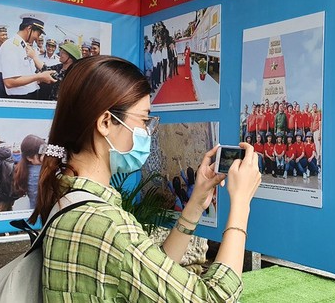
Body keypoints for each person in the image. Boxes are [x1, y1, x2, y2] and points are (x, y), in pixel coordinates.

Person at [29, 55, 261, 301]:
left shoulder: (67, 199)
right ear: (106, 122)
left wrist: (195, 205)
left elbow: (152, 277)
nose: (147, 132)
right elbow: (214, 298)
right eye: (143, 120)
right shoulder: (111, 227)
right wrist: (241, 203)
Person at [0, 14, 57, 99]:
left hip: (30, 95)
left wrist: (37, 78)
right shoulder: (11, 46)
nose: (38, 38)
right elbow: (9, 82)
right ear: (29, 29)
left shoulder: (23, 46)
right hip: (20, 99)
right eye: (38, 33)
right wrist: (39, 76)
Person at [12, 135, 46, 209]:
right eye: (41, 154)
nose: (45, 156)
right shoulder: (36, 173)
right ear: (29, 157)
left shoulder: (26, 169)